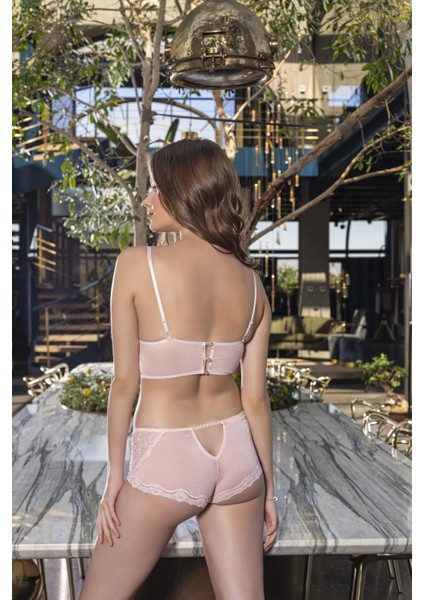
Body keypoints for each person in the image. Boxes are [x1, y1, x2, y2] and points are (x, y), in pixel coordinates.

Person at [79, 138, 278, 600]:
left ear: (181, 191)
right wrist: (268, 491)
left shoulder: (136, 265)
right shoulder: (253, 284)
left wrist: (115, 479)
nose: (148, 200)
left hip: (168, 458)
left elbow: (124, 384)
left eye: (155, 188)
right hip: (238, 459)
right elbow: (255, 400)